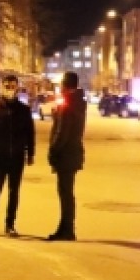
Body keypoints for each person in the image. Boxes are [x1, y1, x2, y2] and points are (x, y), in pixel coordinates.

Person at [0, 74, 35, 236]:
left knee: (14, 192)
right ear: (2, 87)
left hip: (17, 158)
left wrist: (30, 153)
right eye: (7, 86)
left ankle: (10, 225)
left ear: (17, 88)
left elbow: (29, 133)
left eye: (12, 86)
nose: (10, 89)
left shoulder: (23, 110)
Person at [45, 71, 86, 242]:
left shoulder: (68, 104)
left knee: (65, 193)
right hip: (73, 153)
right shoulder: (78, 102)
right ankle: (65, 228)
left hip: (66, 155)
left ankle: (67, 230)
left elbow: (62, 132)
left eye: (61, 84)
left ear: (66, 85)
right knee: (67, 193)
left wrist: (53, 151)